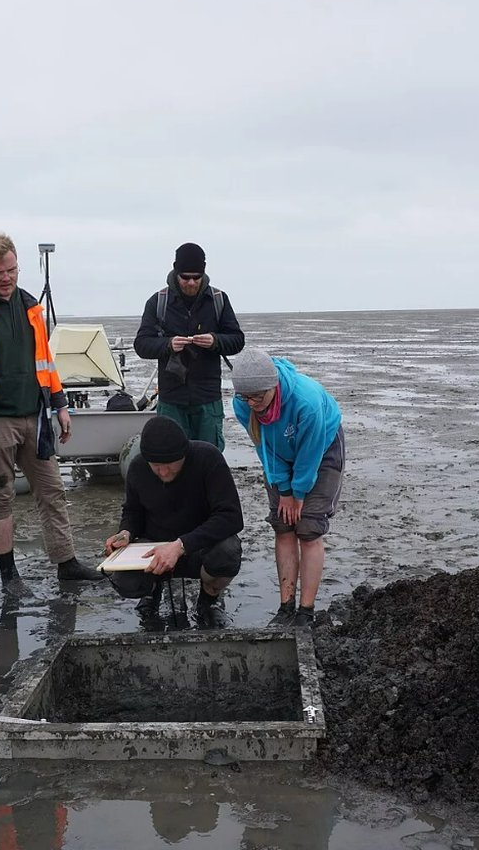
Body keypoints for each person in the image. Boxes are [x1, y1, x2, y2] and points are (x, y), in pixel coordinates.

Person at [0, 232, 101, 598]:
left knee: (53, 492)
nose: (7, 278)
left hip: (36, 417)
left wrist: (61, 405)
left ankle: (66, 564)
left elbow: (45, 362)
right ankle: (9, 576)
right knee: (0, 496)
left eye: (12, 270)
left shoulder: (31, 306)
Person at [230, 348, 345, 629]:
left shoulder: (306, 401)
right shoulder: (243, 404)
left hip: (322, 449)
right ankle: (286, 607)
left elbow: (310, 452)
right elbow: (264, 447)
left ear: (273, 386)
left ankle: (305, 612)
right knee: (283, 525)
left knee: (308, 529)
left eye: (259, 396)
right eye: (247, 397)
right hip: (277, 455)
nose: (253, 403)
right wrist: (284, 489)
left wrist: (299, 492)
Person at [103, 415, 243, 629]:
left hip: (200, 547)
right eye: (156, 466)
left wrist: (181, 545)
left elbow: (231, 517)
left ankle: (209, 600)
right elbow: (132, 512)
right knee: (125, 581)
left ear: (183, 455)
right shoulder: (138, 467)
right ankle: (152, 591)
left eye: (169, 465)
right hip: (154, 547)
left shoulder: (208, 458)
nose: (163, 471)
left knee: (228, 552)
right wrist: (126, 533)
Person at [133, 242, 245, 450]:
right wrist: (168, 345)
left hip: (207, 398)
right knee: (171, 454)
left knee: (209, 456)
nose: (191, 283)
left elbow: (237, 339)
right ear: (176, 272)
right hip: (171, 399)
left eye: (196, 277)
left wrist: (215, 341)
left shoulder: (218, 300)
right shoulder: (158, 302)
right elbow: (141, 345)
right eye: (185, 277)